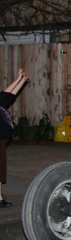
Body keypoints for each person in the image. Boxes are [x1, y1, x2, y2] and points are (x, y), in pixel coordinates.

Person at [0, 69, 30, 208]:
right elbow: (5, 94)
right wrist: (18, 79)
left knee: (1, 169)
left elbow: (10, 96)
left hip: (2, 140)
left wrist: (22, 81)